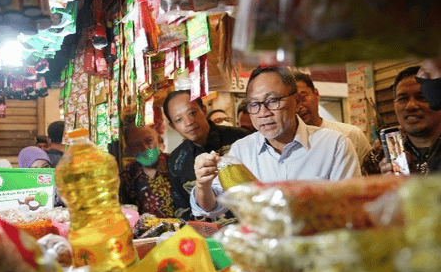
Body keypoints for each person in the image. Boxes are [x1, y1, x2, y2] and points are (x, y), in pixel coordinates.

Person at [191, 66, 361, 219]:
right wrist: (202, 184)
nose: (263, 113)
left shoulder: (334, 145)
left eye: (273, 101)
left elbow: (350, 209)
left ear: (296, 101)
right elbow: (211, 206)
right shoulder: (241, 151)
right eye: (254, 104)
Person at [163, 90, 251, 222]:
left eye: (192, 113)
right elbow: (181, 208)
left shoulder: (241, 140)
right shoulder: (176, 160)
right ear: (173, 126)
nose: (189, 122)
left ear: (203, 110)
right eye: (179, 119)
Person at [362, 66, 441, 175]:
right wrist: (384, 187)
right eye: (402, 98)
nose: (411, 106)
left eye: (422, 97)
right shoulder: (377, 157)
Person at [294, 72, 372, 161]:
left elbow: (372, 171)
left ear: (316, 94)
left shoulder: (351, 134)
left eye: (303, 97)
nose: (299, 106)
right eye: (294, 101)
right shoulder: (288, 145)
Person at [119, 125, 174, 218]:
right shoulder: (126, 174)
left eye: (149, 141)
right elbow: (126, 210)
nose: (145, 147)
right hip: (145, 231)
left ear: (159, 140)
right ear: (128, 150)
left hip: (183, 230)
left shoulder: (176, 162)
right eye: (137, 145)